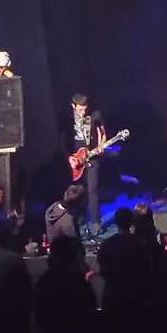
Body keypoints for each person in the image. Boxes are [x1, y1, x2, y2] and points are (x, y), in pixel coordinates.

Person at [69, 94, 107, 237]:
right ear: (73, 106)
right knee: (77, 190)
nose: (83, 112)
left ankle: (95, 223)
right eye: (80, 109)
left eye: (85, 109)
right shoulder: (67, 118)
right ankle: (76, 220)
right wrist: (69, 158)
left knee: (93, 189)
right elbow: (62, 139)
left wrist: (101, 145)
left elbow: (102, 131)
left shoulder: (95, 115)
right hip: (75, 159)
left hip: (92, 156)